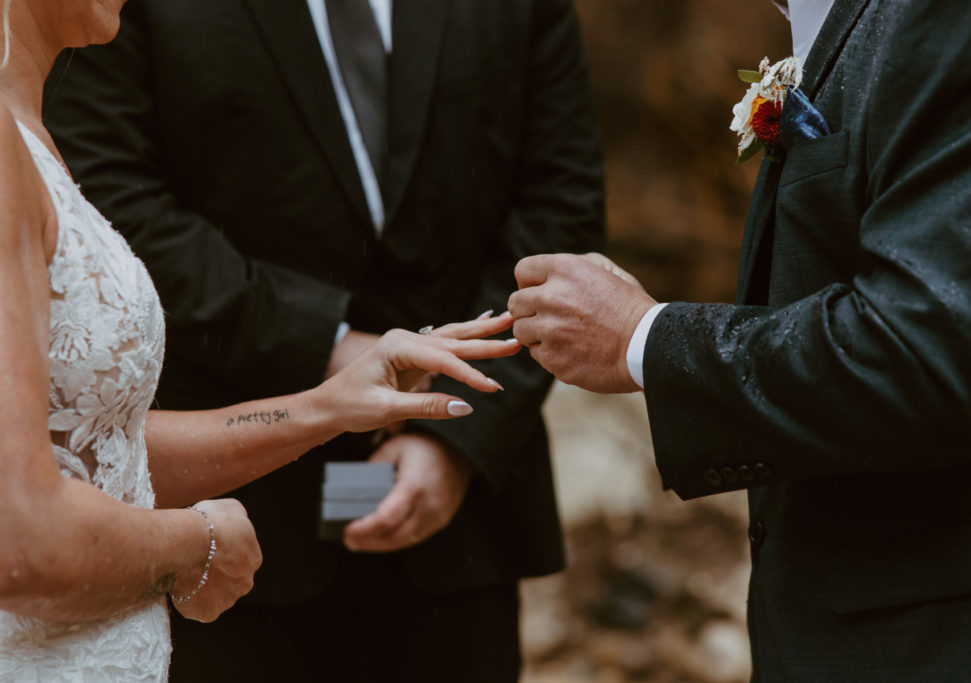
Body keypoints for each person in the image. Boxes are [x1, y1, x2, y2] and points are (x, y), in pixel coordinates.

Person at [44, 0, 604, 680]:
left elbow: (560, 206)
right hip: (230, 522)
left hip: (457, 529)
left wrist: (456, 427)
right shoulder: (109, 7)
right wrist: (331, 344)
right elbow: (109, 203)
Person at [509, 0, 971, 680]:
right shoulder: (852, 23)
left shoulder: (957, 14)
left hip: (944, 639)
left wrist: (645, 339)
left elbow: (923, 354)